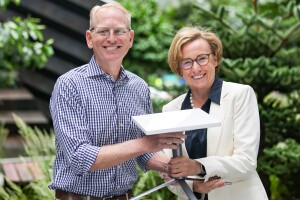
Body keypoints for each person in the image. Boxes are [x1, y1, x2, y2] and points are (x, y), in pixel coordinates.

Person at [48, 2, 186, 200]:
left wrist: (173, 167)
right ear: (89, 38)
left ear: (130, 38)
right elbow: (80, 158)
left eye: (119, 31)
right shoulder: (69, 85)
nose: (111, 38)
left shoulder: (139, 87)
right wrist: (148, 143)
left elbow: (142, 152)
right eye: (103, 31)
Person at [162, 26, 269, 200]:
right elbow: (171, 173)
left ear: (216, 59)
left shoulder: (239, 95)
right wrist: (196, 186)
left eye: (202, 59)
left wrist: (198, 166)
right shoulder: (170, 110)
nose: (196, 68)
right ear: (179, 69)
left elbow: (246, 161)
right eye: (187, 62)